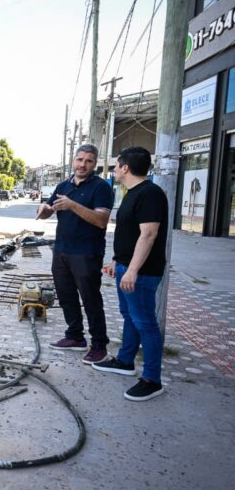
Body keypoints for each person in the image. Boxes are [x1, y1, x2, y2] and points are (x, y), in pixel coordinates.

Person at [92, 147, 169, 401]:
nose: (114, 169)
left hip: (142, 272)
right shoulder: (133, 193)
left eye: (116, 165)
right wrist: (117, 260)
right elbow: (131, 233)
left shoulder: (150, 194)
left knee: (146, 322)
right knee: (130, 317)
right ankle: (125, 361)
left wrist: (133, 269)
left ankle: (151, 379)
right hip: (126, 266)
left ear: (125, 168)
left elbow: (148, 234)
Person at [36, 144, 114, 365]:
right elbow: (49, 210)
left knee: (91, 299)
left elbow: (101, 220)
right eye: (79, 160)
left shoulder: (101, 187)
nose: (83, 164)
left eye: (88, 161)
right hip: (61, 250)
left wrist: (72, 205)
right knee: (66, 295)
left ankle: (99, 345)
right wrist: (44, 209)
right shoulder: (63, 185)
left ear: (95, 163)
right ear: (73, 161)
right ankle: (75, 336)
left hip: (87, 253)